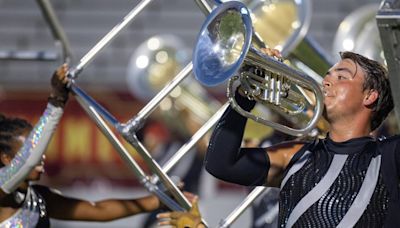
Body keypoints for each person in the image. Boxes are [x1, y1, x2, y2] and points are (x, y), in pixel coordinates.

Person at [203, 49, 399, 227]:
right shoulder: (296, 155)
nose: (326, 82)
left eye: (341, 77)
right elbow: (220, 164)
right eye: (327, 76)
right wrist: (246, 94)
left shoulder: (389, 156)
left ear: (370, 96)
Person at [0, 64, 187, 227]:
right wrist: (56, 102)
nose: (41, 155)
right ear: (6, 158)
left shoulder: (40, 198)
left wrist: (158, 201)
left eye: (38, 148)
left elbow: (98, 210)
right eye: (31, 148)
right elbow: (28, 161)